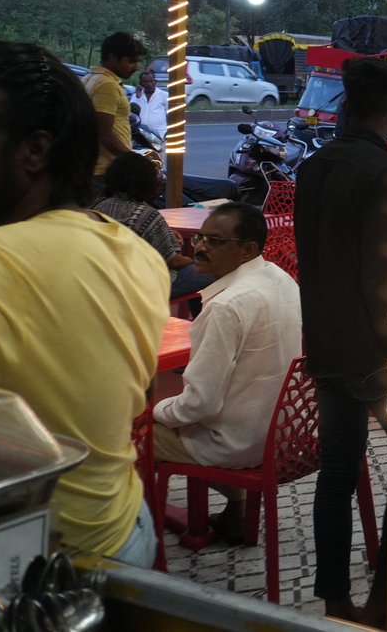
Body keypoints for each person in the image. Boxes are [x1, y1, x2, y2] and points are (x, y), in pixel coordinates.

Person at [0, 42, 167, 564]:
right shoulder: (137, 250)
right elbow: (142, 394)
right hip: (127, 525)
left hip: (44, 559)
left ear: (35, 152)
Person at [295, 55, 387, 624]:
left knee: (337, 475)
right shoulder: (384, 170)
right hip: (372, 351)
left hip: (325, 340)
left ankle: (337, 602)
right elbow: (377, 274)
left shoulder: (314, 166)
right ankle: (385, 604)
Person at [151, 202, 301, 541]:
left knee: (130, 434)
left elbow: (199, 405)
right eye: (200, 238)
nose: (201, 247)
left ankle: (136, 534)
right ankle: (237, 511)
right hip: (281, 434)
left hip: (236, 444)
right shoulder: (281, 279)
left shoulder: (225, 306)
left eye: (215, 241)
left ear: (248, 249)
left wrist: (155, 411)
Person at [93, 151, 206, 301]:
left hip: (105, 281)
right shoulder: (147, 214)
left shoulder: (98, 206)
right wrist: (197, 261)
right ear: (146, 182)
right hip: (142, 286)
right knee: (209, 271)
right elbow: (175, 261)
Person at [82, 31, 147, 196]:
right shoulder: (107, 86)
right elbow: (104, 135)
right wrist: (134, 161)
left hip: (93, 168)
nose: (136, 67)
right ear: (112, 58)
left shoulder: (90, 78)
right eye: (131, 61)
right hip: (104, 171)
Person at [133, 68, 169, 137]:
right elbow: (132, 113)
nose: (149, 84)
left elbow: (170, 114)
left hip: (160, 134)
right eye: (145, 82)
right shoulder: (136, 96)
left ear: (155, 81)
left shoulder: (164, 95)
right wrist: (137, 98)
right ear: (141, 83)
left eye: (151, 81)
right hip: (140, 134)